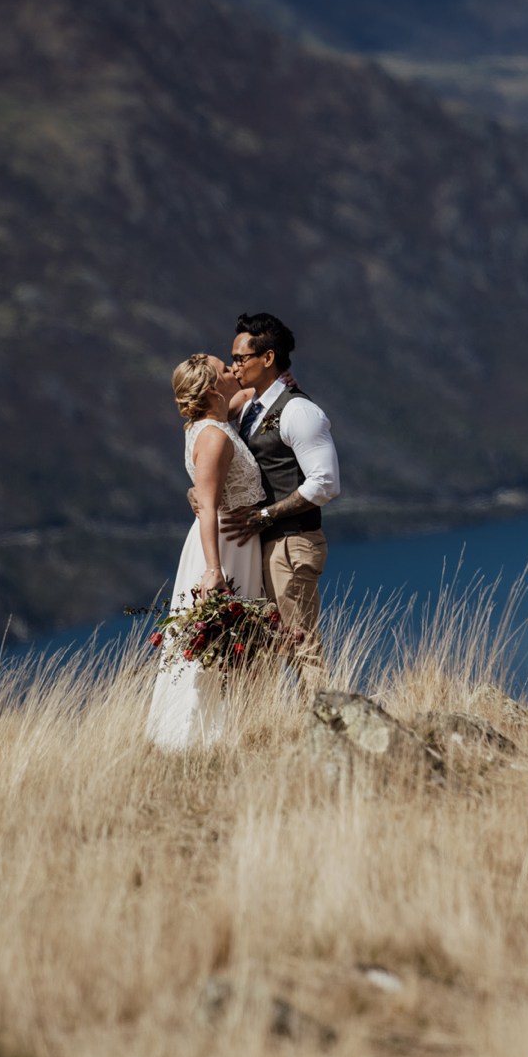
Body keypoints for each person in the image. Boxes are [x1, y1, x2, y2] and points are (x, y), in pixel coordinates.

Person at [145, 353, 265, 751]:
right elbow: (209, 505)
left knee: (232, 642)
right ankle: (192, 740)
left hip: (233, 543)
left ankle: (230, 730)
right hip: (223, 547)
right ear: (213, 388)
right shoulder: (214, 436)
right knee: (214, 644)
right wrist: (214, 570)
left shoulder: (207, 423)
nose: (233, 369)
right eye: (224, 368)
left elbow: (245, 392)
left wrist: (273, 379)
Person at [221, 312, 340, 681]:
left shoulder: (299, 411)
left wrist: (265, 516)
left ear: (268, 358)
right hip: (266, 545)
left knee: (300, 645)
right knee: (267, 647)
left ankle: (330, 728)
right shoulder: (251, 409)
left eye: (241, 358)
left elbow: (325, 483)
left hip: (291, 543)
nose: (234, 366)